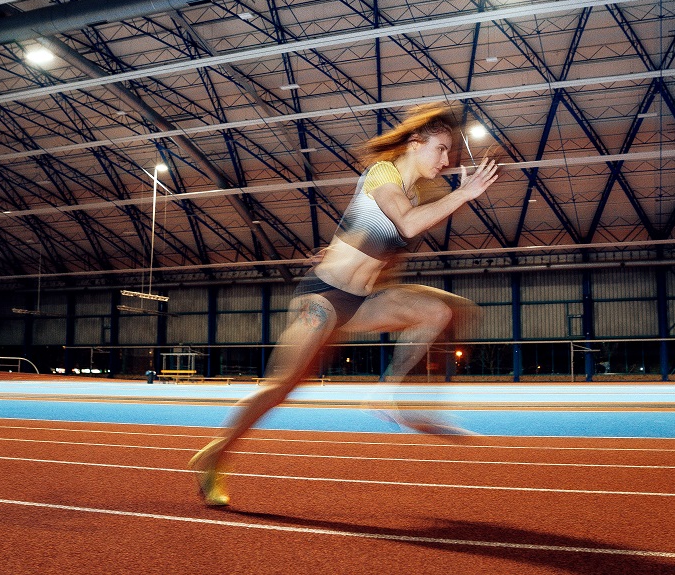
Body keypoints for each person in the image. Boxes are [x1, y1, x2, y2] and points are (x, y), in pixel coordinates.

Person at [188, 102, 499, 506]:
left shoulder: (418, 193)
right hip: (323, 298)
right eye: (441, 149)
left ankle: (393, 398)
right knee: (282, 387)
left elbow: (380, 250)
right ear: (414, 142)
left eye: (449, 152)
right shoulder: (384, 174)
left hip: (362, 301)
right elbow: (403, 223)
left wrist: (345, 251)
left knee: (442, 310)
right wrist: (465, 194)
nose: (446, 160)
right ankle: (214, 455)